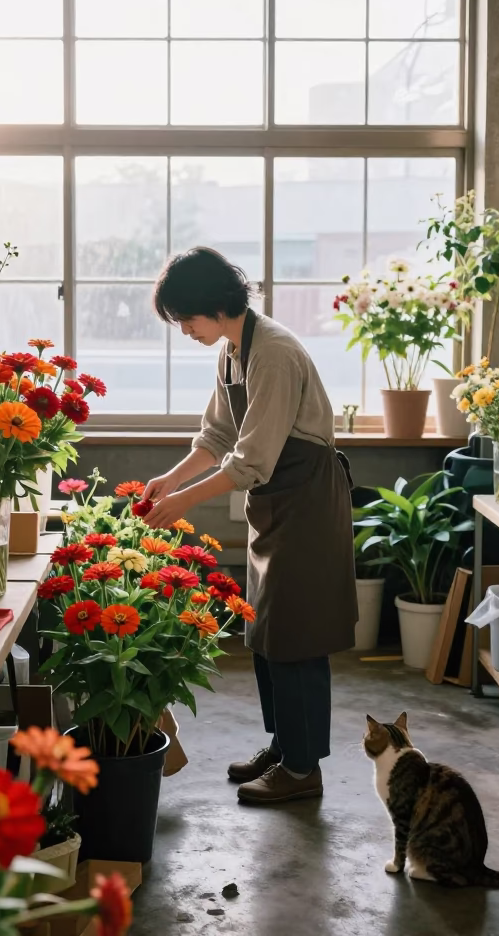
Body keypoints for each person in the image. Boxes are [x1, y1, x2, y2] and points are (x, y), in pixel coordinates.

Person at [143, 246, 358, 806]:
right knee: (266, 634)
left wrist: (183, 504)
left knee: (298, 637)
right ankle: (284, 746)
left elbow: (250, 461)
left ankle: (303, 769)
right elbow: (216, 439)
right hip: (276, 502)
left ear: (214, 306)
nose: (185, 330)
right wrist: (169, 481)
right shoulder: (233, 351)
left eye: (186, 318)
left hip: (306, 501)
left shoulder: (275, 354)